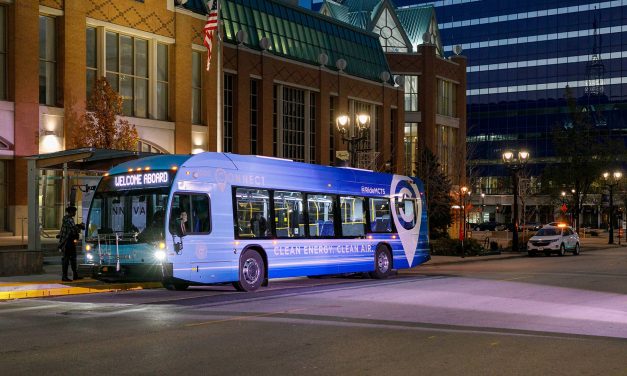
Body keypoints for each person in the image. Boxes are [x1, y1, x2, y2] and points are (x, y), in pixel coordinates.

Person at [58, 206, 84, 282]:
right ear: (71, 212)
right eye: (74, 212)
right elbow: (74, 229)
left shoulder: (67, 219)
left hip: (69, 241)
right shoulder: (68, 219)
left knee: (72, 258)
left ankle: (75, 275)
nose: (75, 213)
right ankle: (65, 276)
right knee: (67, 259)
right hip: (67, 242)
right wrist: (80, 226)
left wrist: (78, 226)